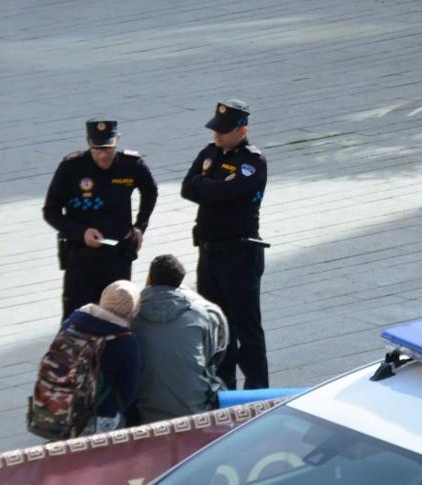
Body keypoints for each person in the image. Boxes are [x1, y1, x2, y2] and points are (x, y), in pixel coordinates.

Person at [180, 99, 269, 390]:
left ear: (242, 130)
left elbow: (230, 192)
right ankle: (223, 388)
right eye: (216, 129)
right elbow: (187, 187)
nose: (216, 135)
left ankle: (257, 393)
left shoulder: (251, 161)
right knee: (218, 327)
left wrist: (207, 187)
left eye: (223, 130)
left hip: (239, 254)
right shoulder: (210, 152)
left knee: (247, 329)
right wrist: (216, 188)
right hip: (209, 254)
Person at [44, 119, 158, 320]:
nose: (104, 155)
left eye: (108, 149)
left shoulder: (131, 165)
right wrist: (81, 233)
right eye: (97, 150)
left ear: (118, 141)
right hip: (81, 259)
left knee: (118, 319)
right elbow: (50, 211)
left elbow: (150, 191)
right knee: (76, 319)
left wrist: (140, 226)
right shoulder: (72, 168)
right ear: (88, 142)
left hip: (118, 257)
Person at [133, 254, 229, 423]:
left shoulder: (132, 318)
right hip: (194, 410)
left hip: (144, 415)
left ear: (149, 279)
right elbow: (213, 358)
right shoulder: (201, 315)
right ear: (179, 282)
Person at [61, 280, 142, 433]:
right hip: (101, 416)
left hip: (61, 407)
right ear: (133, 310)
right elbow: (128, 394)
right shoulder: (126, 342)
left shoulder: (70, 324)